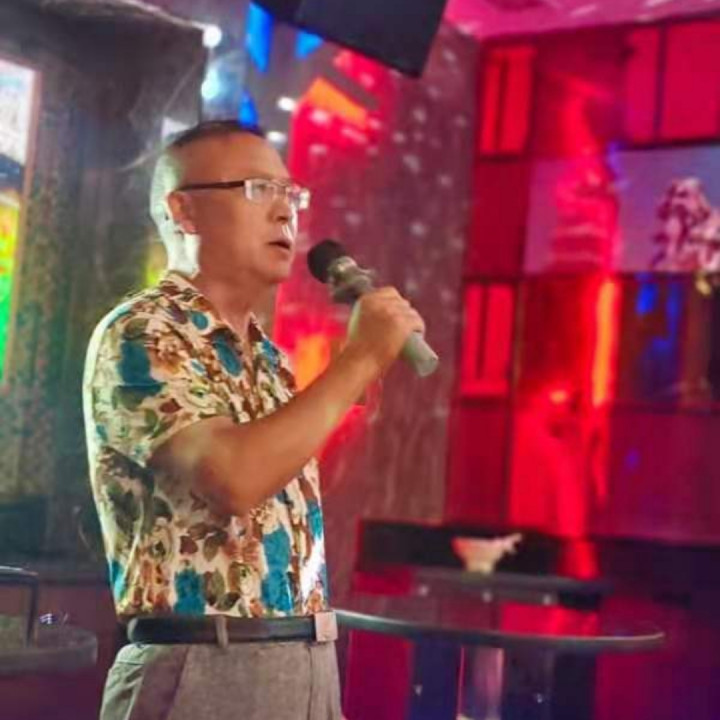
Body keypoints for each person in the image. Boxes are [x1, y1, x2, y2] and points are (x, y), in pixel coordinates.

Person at [82, 119, 425, 720]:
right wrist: (360, 358)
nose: (285, 211)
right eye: (258, 190)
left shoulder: (267, 358)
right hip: (204, 666)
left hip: (308, 659)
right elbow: (234, 478)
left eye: (291, 194)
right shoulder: (142, 332)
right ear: (184, 211)